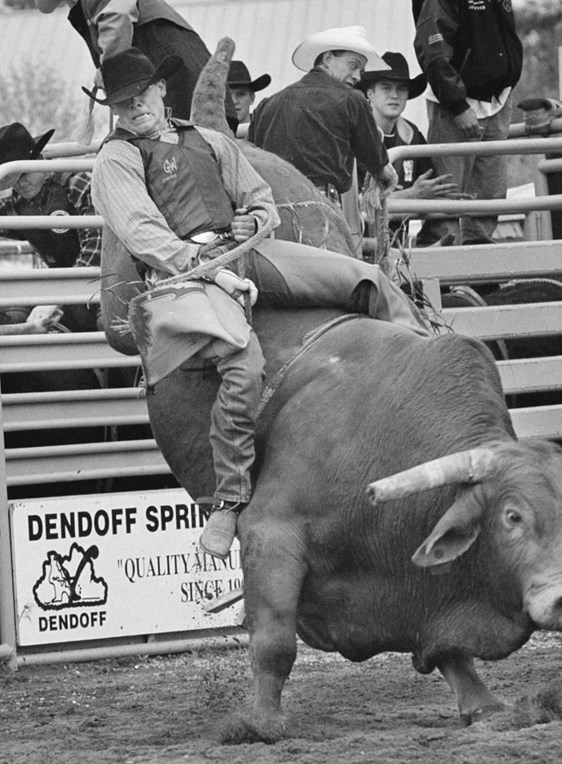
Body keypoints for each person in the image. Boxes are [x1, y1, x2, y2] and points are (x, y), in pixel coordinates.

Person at [89, 49, 429, 560]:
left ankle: (430, 368)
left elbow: (259, 194)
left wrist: (255, 219)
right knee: (243, 367)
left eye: (140, 96)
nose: (134, 109)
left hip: (248, 252)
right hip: (183, 278)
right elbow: (144, 233)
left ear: (160, 90)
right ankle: (227, 501)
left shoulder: (211, 140)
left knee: (368, 278)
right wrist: (213, 267)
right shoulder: (116, 158)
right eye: (122, 104)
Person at [412, 0, 523, 246]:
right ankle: (441, 278)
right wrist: (457, 105)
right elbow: (433, 49)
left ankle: (480, 275)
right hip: (457, 108)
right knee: (446, 198)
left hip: (496, 101)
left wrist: (506, 84)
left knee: (489, 197)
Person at [248, 25, 397, 208]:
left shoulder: (267, 104)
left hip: (269, 208)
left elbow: (249, 157)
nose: (358, 76)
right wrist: (388, 174)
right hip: (319, 205)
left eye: (361, 71)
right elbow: (374, 159)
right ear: (327, 59)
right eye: (353, 66)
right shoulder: (352, 100)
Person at [35, 0, 237, 128]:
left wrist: (108, 70)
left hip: (177, 78)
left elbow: (118, 15)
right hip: (176, 82)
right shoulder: (83, 8)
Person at [358, 51, 458, 242]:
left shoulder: (413, 136)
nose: (394, 95)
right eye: (386, 88)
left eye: (401, 89)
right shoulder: (355, 135)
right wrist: (412, 194)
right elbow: (357, 206)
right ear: (370, 93)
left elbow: (430, 188)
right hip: (361, 246)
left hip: (398, 244)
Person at [0, 121, 100, 270]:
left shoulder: (77, 184)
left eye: (24, 175)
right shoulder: (18, 203)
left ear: (40, 160)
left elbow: (96, 243)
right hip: (67, 282)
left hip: (94, 280)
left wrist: (70, 283)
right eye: (12, 180)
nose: (20, 185)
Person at [226, 60, 271, 125]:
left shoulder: (265, 131)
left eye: (240, 94)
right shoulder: (208, 133)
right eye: (228, 96)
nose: (234, 101)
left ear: (252, 98)